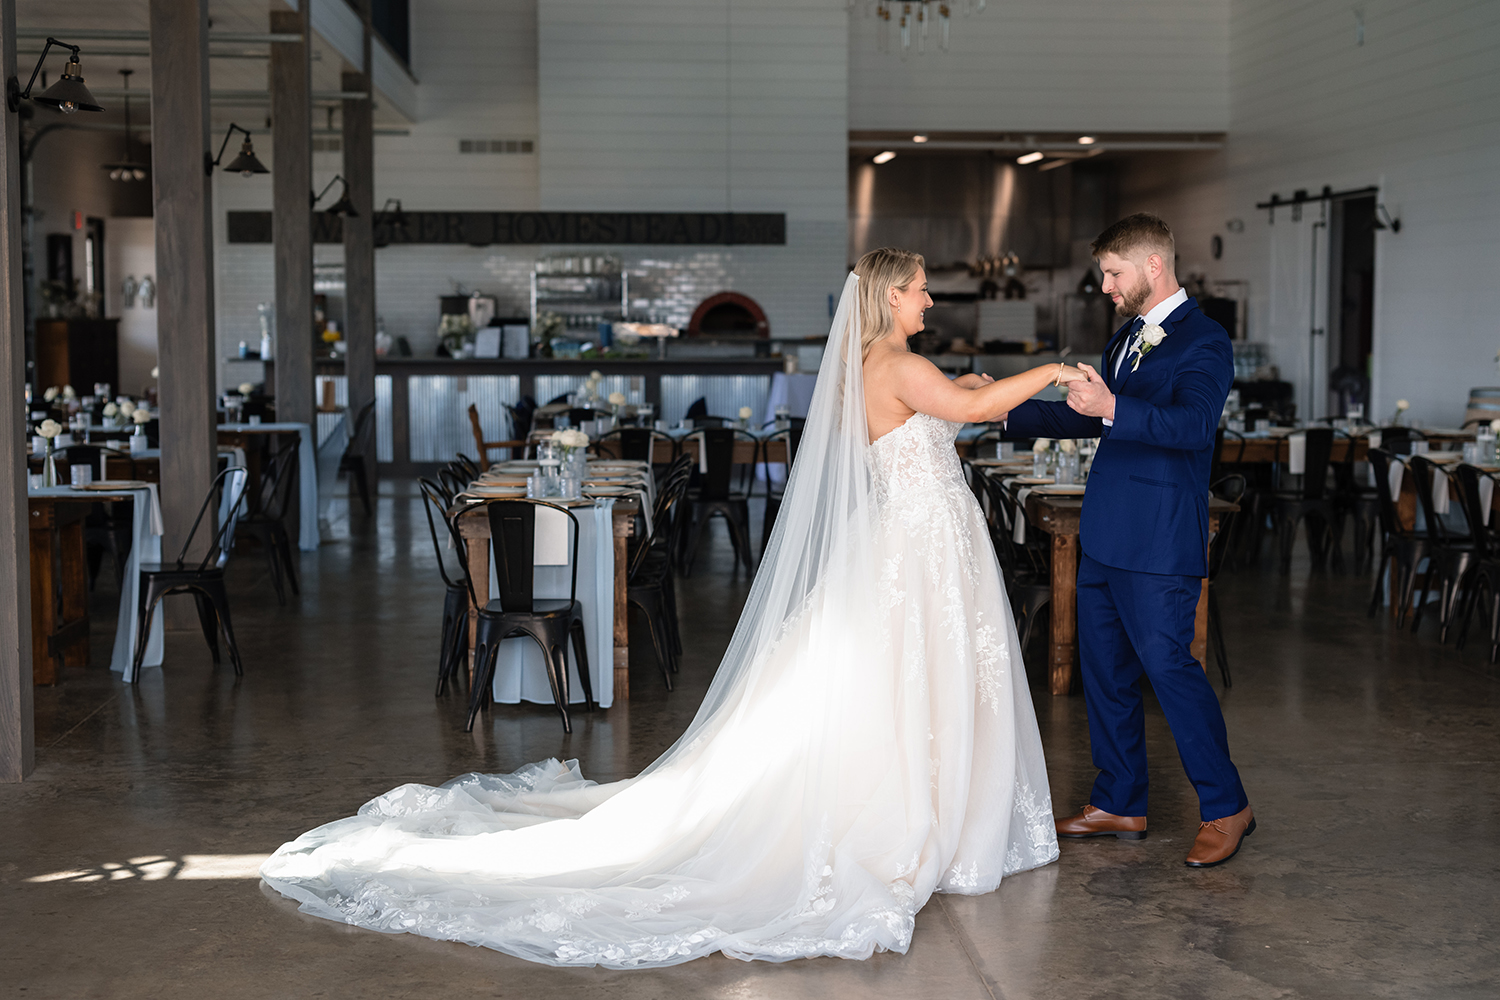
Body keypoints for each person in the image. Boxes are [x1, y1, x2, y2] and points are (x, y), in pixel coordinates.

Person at [260, 248, 1081, 968]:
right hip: (918, 552)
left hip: (914, 549)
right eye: (921, 290)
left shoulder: (882, 367)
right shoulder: (898, 366)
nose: (930, 300)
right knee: (909, 684)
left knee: (904, 683)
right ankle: (920, 818)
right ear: (890, 296)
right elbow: (966, 411)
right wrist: (1052, 370)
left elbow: (945, 409)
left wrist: (975, 387)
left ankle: (929, 808)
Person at [1002, 214, 1253, 867]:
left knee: (1169, 668)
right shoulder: (1125, 339)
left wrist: (1112, 407)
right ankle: (1119, 800)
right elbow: (1079, 414)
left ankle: (1227, 805)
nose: (1107, 287)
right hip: (1106, 529)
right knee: (1104, 671)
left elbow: (1194, 424)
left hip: (1160, 537)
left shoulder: (1206, 340)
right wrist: (996, 406)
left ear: (1152, 267)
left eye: (1113, 274)